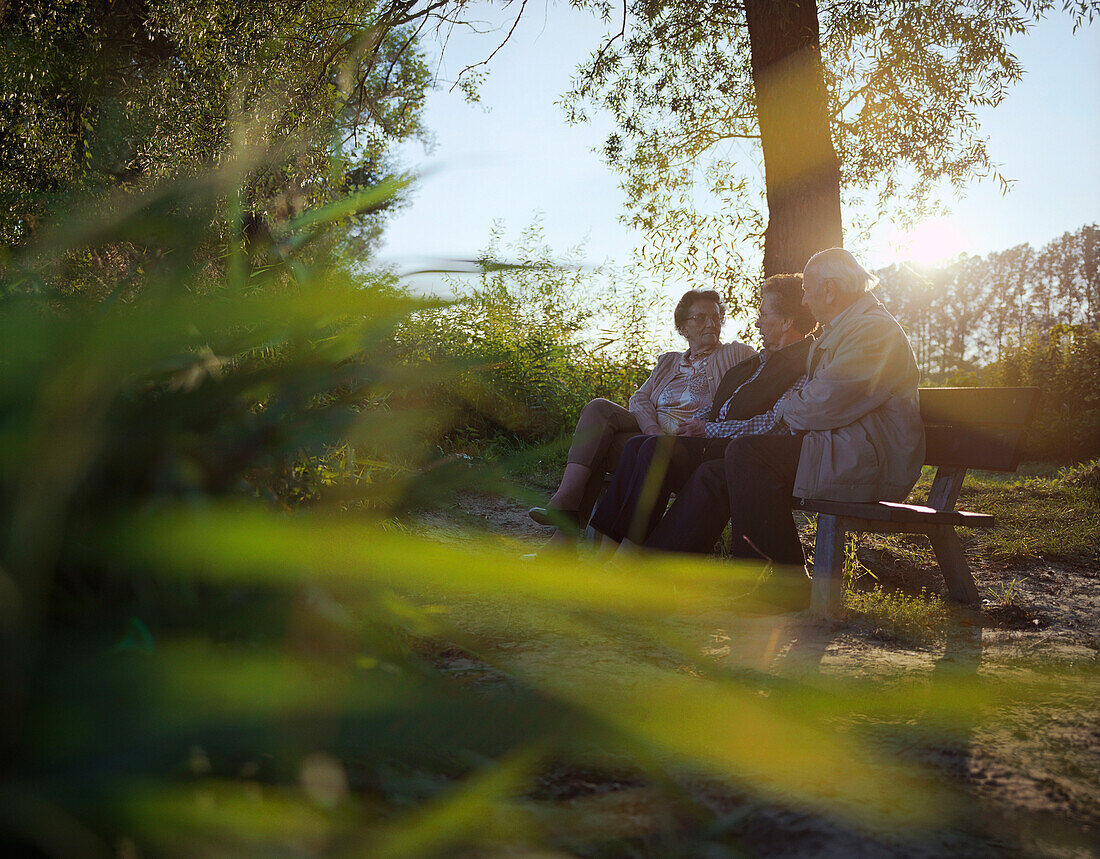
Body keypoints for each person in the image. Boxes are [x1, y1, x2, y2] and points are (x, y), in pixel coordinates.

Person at [644, 248, 925, 607]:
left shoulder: (873, 331)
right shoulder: (846, 329)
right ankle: (652, 570)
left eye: (808, 290)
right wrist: (792, 406)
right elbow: (814, 401)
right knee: (719, 471)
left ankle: (773, 582)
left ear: (830, 289)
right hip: (837, 447)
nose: (805, 301)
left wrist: (785, 407)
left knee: (747, 454)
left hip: (867, 460)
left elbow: (821, 403)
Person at [588, 274, 817, 547]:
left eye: (763, 314)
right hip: (713, 441)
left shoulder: (797, 364)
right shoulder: (760, 361)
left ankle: (627, 554)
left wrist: (707, 429)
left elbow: (774, 422)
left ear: (786, 321)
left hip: (734, 448)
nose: (756, 322)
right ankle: (605, 551)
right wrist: (696, 422)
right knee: (641, 444)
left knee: (656, 450)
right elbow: (719, 403)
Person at [528, 288, 753, 543]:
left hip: (686, 445)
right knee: (599, 408)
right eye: (700, 318)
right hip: (651, 435)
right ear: (683, 328)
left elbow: (762, 372)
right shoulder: (669, 361)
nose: (711, 324)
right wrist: (652, 429)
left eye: (715, 317)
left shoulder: (735, 354)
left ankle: (564, 536)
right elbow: (639, 398)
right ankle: (565, 499)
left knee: (604, 446)